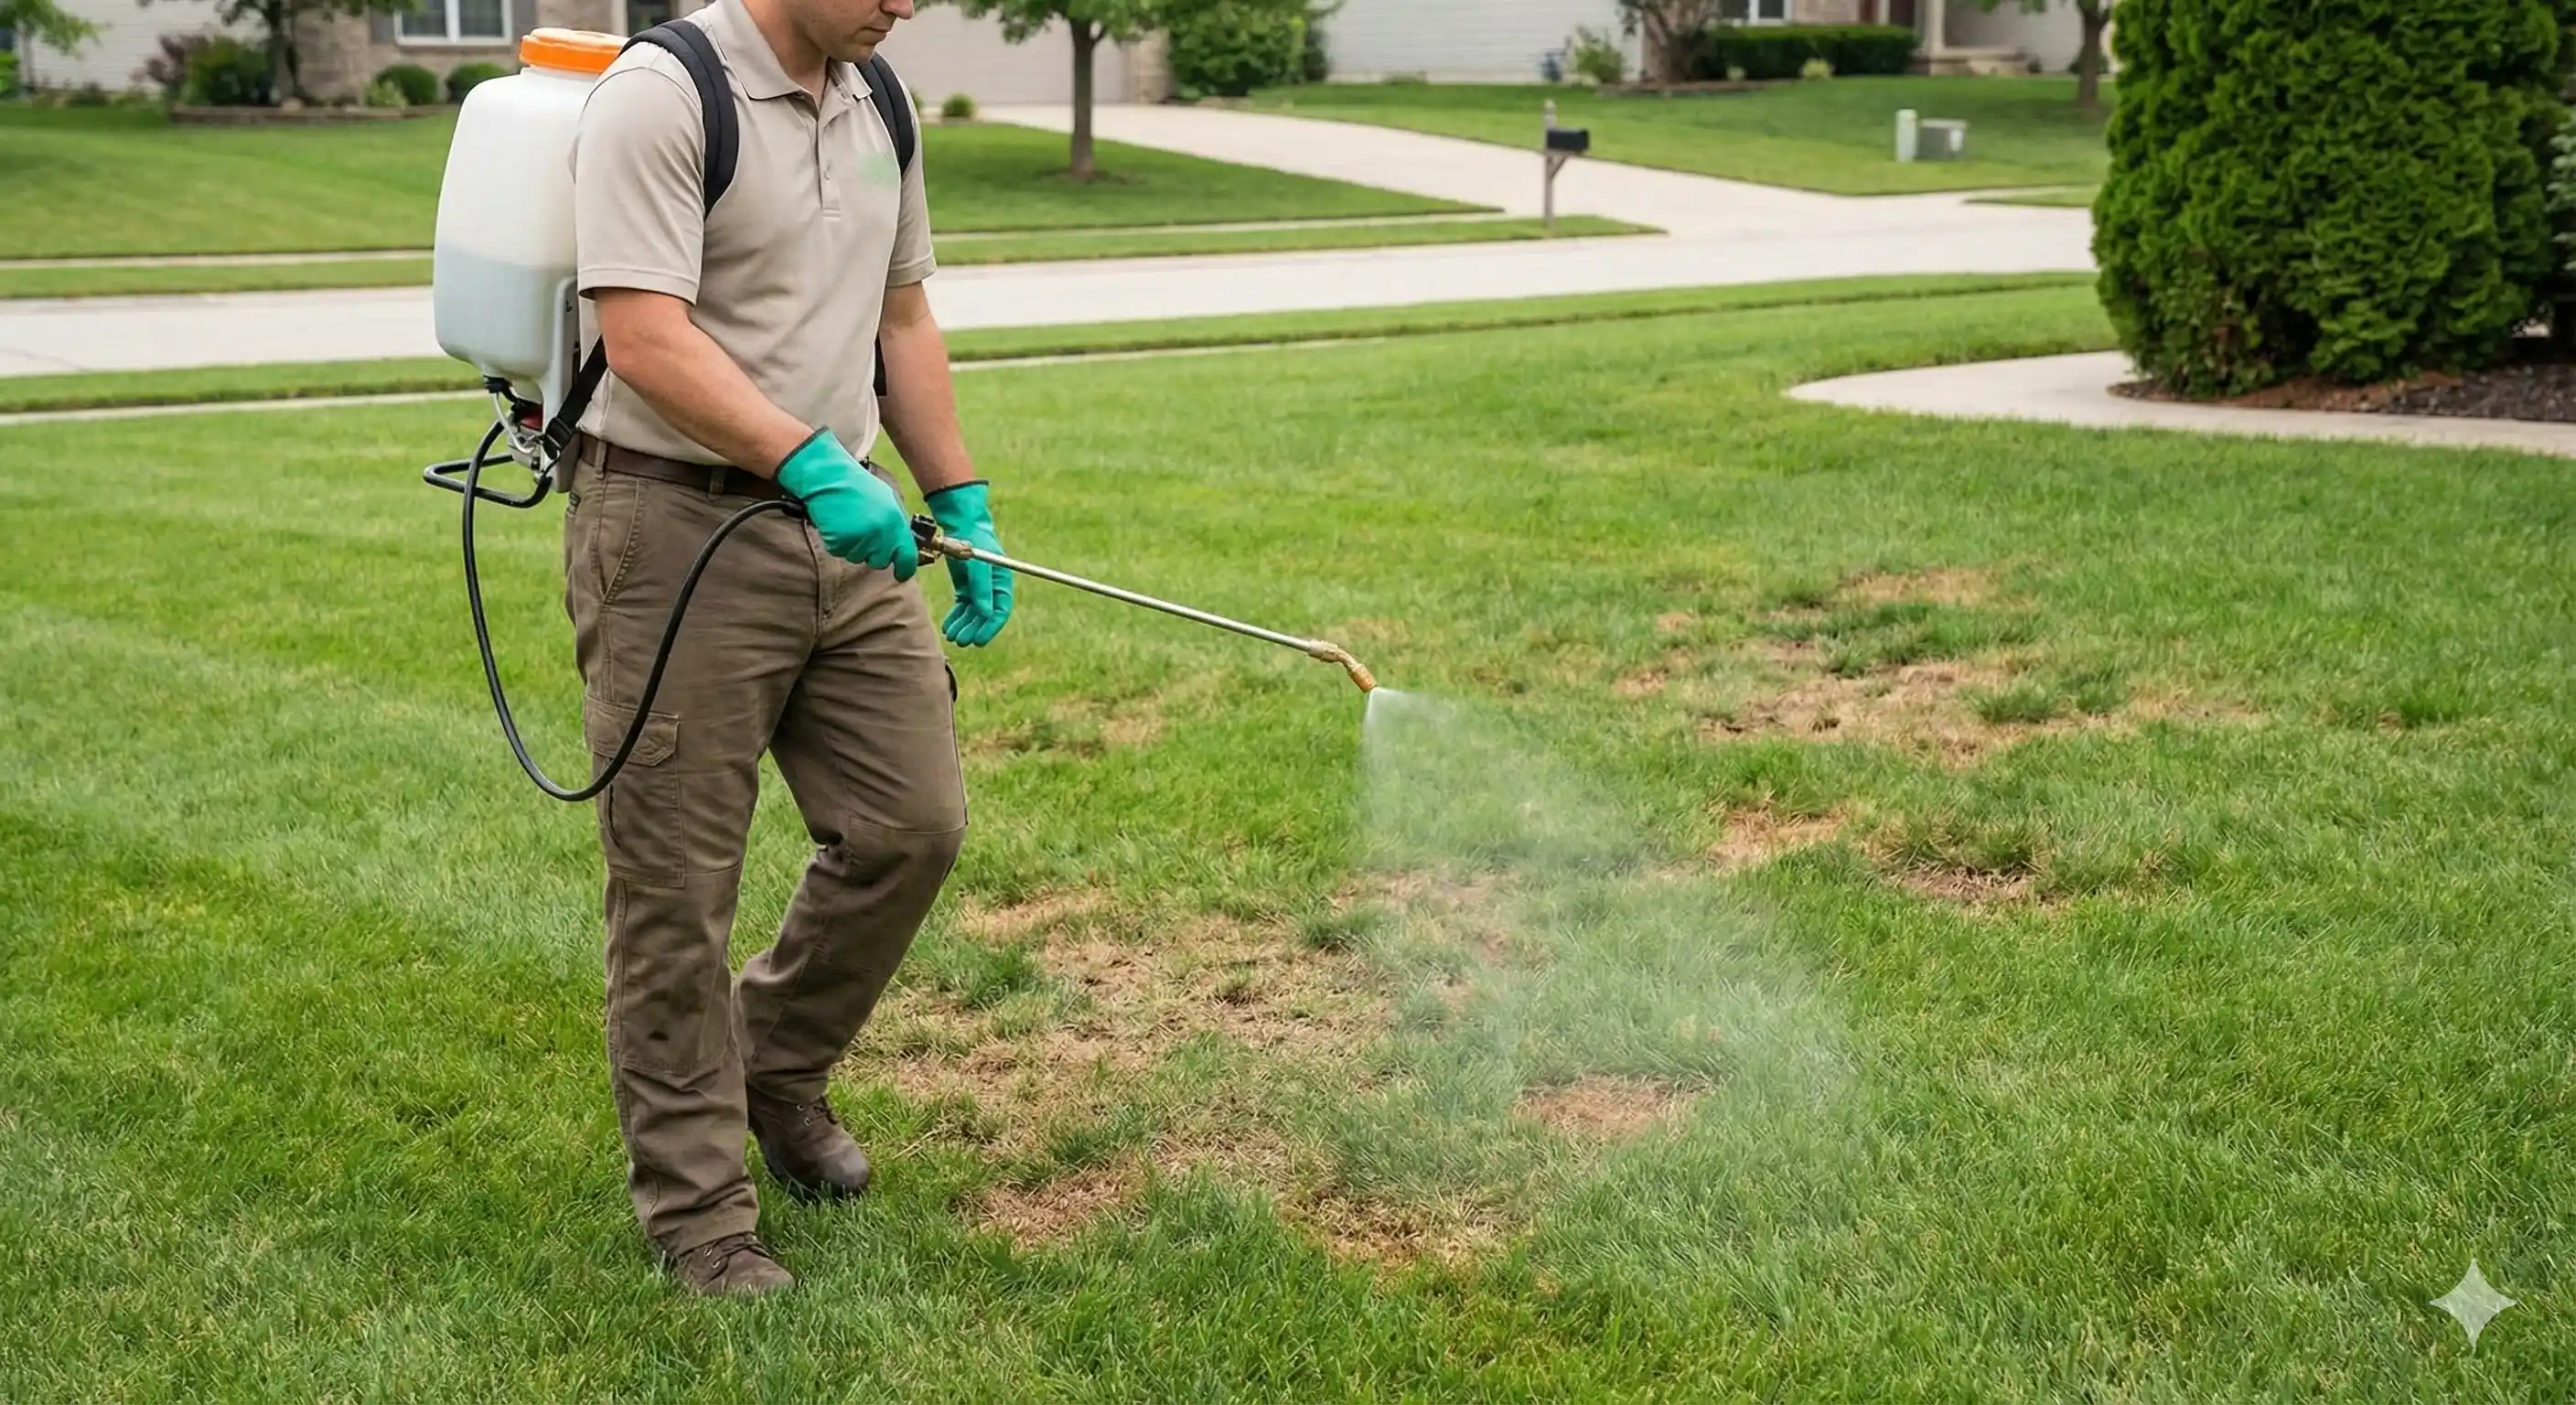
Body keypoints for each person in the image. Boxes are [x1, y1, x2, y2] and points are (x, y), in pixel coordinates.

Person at [563, 0, 1010, 1297]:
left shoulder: (881, 100)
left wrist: (960, 498)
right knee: (675, 890)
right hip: (674, 528)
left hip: (846, 526)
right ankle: (699, 1214)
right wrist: (804, 459)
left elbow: (901, 319)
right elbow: (643, 336)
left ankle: (772, 1065)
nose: (906, 2)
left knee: (909, 827)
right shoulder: (664, 94)